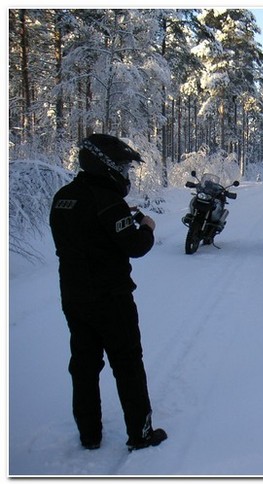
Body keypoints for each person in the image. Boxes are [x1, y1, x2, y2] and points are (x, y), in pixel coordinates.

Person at [50, 133, 167, 452]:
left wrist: (117, 216)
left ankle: (89, 435)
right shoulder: (108, 201)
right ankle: (141, 434)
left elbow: (80, 235)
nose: (125, 172)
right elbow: (135, 246)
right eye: (122, 166)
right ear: (105, 165)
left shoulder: (63, 196)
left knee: (83, 365)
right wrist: (147, 227)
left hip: (73, 297)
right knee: (128, 364)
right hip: (111, 298)